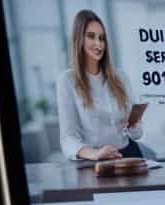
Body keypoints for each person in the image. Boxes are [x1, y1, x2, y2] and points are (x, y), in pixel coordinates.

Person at [56, 9, 144, 161]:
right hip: (94, 160)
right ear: (79, 39)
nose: (98, 44)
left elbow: (136, 134)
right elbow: (68, 138)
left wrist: (135, 126)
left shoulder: (121, 78)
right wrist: (95, 154)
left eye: (102, 38)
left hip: (128, 154)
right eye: (91, 37)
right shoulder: (67, 80)